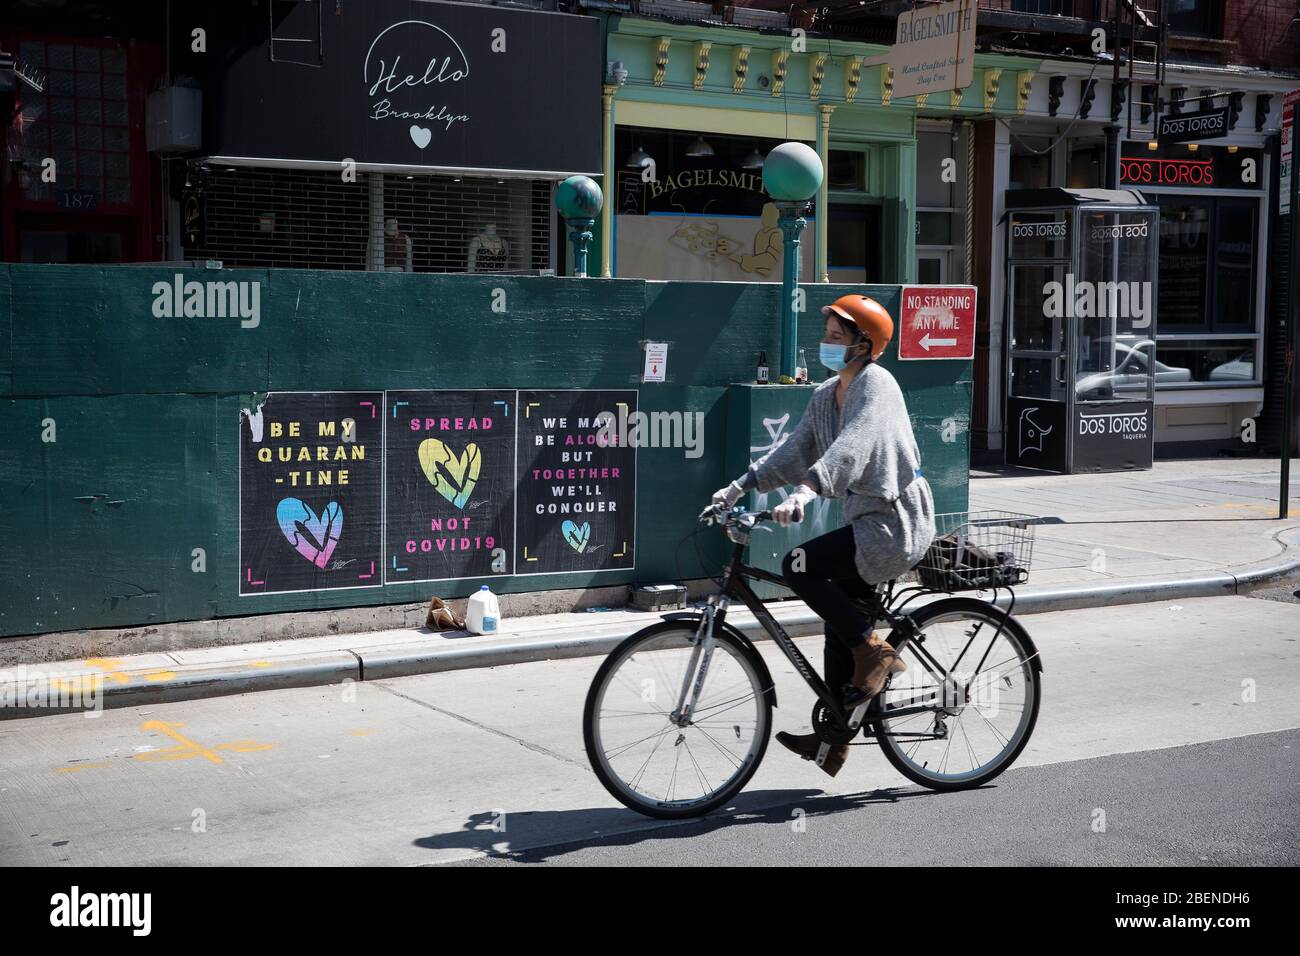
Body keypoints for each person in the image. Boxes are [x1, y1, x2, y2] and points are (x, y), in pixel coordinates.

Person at [710, 294, 936, 778]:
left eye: (838, 337)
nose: (826, 345)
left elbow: (851, 448)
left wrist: (804, 494)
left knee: (800, 566)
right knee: (841, 627)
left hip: (896, 523)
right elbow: (794, 451)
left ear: (864, 345)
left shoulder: (877, 385)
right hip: (866, 522)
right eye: (827, 335)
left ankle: (875, 652)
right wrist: (739, 486)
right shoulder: (824, 395)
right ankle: (835, 739)